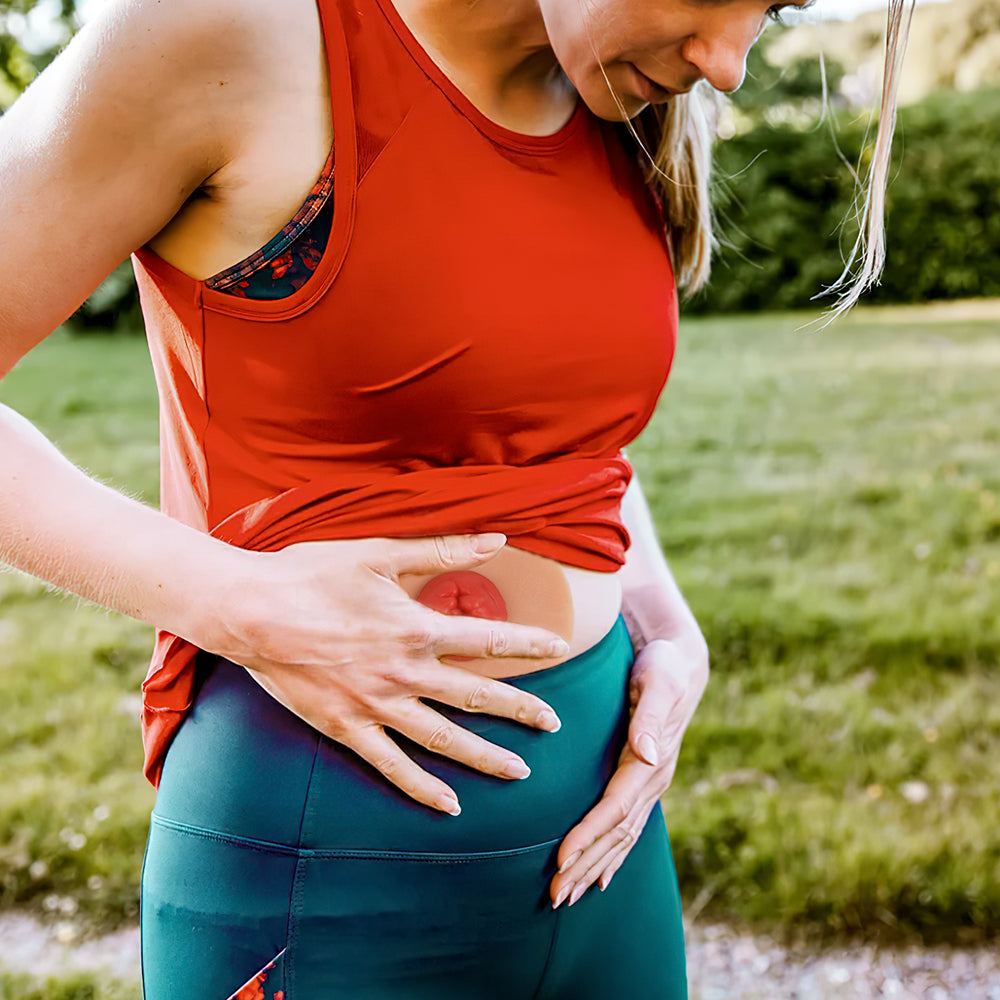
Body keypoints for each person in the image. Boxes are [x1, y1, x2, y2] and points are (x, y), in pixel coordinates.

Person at [0, 0, 912, 996]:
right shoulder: (229, 34)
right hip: (323, 855)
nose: (729, 64)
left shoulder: (616, 99)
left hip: (604, 851)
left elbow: (556, 436)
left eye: (770, 10)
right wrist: (238, 603)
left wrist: (661, 620)